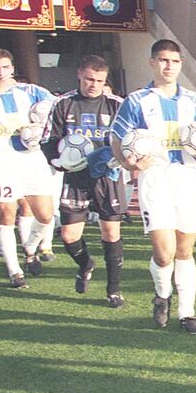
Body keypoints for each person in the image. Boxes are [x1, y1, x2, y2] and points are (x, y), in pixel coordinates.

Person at [110, 39, 196, 335]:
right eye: (162, 60)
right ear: (152, 62)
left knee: (184, 250)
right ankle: (162, 296)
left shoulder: (195, 102)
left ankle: (187, 313)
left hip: (188, 177)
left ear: (180, 64)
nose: (168, 66)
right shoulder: (136, 100)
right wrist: (127, 163)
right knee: (164, 253)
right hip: (155, 178)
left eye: (174, 61)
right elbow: (117, 138)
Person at [0, 48, 57, 288]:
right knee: (6, 213)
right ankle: (15, 272)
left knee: (46, 216)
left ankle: (30, 249)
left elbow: (57, 109)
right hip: (2, 157)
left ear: (12, 68)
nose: (1, 72)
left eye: (5, 67)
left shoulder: (32, 91)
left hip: (32, 157)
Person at [41, 55, 126, 308]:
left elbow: (129, 137)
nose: (93, 85)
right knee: (68, 236)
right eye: (89, 79)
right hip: (75, 177)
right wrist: (57, 160)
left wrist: (120, 158)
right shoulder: (63, 104)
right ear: (79, 74)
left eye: (99, 80)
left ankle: (113, 290)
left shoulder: (116, 105)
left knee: (110, 232)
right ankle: (86, 264)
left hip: (107, 177)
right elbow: (48, 139)